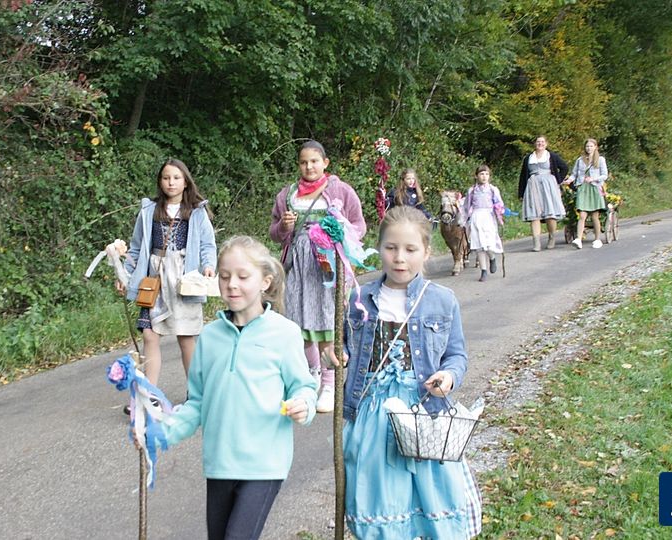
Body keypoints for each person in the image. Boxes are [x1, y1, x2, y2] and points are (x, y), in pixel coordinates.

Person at [162, 236, 317, 540]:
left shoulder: (284, 333)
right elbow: (197, 402)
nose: (232, 284)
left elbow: (304, 387)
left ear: (265, 281)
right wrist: (160, 433)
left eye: (243, 276)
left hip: (264, 464)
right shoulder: (209, 337)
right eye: (224, 276)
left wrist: (304, 404)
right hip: (219, 463)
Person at [342, 206, 482, 539]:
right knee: (380, 496)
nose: (399, 258)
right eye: (391, 248)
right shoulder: (359, 299)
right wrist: (338, 355)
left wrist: (448, 377)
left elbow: (456, 355)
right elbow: (347, 347)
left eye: (410, 249)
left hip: (424, 414)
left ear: (426, 252)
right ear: (379, 248)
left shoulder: (442, 301)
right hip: (373, 415)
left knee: (430, 495)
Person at [270, 140, 366, 413]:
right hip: (297, 267)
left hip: (327, 267)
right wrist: (284, 226)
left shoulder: (340, 190)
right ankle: (310, 375)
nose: (309, 167)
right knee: (298, 320)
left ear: (325, 163)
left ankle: (330, 382)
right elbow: (274, 233)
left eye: (314, 161)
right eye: (303, 162)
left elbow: (359, 225)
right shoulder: (287, 195)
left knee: (326, 319)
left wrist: (338, 231)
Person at [121, 159, 217, 390]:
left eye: (176, 178)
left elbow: (207, 244)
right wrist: (125, 274)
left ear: (185, 182)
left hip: (184, 279)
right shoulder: (149, 211)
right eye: (166, 178)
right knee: (149, 335)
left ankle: (195, 393)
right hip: (155, 279)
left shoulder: (196, 212)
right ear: (160, 181)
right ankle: (149, 393)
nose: (171, 182)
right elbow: (136, 247)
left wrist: (208, 265)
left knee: (185, 338)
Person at [518, 135, 570, 251]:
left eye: (542, 142)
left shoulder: (551, 156)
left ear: (546, 144)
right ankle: (536, 243)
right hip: (533, 186)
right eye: (538, 142)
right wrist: (521, 193)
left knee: (550, 214)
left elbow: (564, 167)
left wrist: (557, 180)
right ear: (535, 144)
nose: (540, 144)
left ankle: (552, 237)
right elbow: (523, 176)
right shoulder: (528, 158)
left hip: (548, 186)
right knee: (534, 215)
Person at [464, 164, 505, 281]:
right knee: (479, 246)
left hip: (488, 218)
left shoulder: (493, 190)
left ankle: (492, 258)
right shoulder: (472, 191)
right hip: (476, 217)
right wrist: (464, 220)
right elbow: (466, 207)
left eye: (486, 174)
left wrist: (499, 212)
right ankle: (483, 271)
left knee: (489, 245)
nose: (484, 176)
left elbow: (499, 204)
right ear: (476, 176)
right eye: (481, 174)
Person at [566, 138, 609, 249]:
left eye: (591, 146)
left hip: (594, 188)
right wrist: (569, 180)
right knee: (582, 215)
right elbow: (574, 174)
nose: (589, 148)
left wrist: (593, 179)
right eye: (587, 146)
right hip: (583, 189)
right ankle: (578, 239)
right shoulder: (580, 160)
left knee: (595, 216)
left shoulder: (600, 160)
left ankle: (597, 239)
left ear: (595, 147)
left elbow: (604, 175)